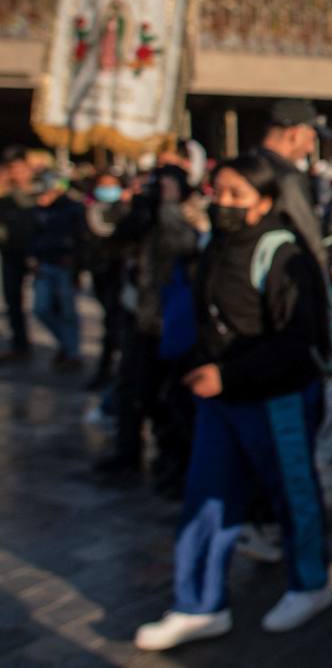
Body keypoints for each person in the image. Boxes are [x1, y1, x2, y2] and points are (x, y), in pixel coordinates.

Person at [134, 153, 332, 651]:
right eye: (217, 191)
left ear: (263, 201)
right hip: (219, 401)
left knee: (293, 496)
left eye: (235, 194)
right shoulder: (214, 245)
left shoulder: (285, 254)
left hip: (277, 399)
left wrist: (228, 372)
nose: (221, 202)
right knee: (207, 499)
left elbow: (296, 339)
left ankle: (311, 584)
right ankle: (198, 604)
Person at [97, 165, 205, 489]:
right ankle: (127, 453)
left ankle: (174, 461)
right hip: (139, 316)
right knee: (133, 390)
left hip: (173, 322)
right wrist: (130, 206)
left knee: (173, 399)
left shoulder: (191, 215)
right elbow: (108, 236)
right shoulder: (142, 211)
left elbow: (186, 245)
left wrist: (168, 207)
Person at [257, 99, 326, 268]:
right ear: (295, 134)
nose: (310, 148)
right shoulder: (287, 177)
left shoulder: (246, 166)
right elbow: (309, 235)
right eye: (311, 139)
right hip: (280, 274)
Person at [30, 171, 86, 367]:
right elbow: (33, 236)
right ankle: (67, 344)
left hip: (65, 266)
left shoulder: (73, 208)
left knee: (68, 311)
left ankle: (72, 352)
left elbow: (80, 239)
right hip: (44, 264)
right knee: (41, 308)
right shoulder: (37, 209)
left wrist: (77, 267)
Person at [83, 170, 132, 389]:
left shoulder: (128, 211)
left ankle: (114, 373)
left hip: (123, 276)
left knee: (116, 326)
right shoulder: (89, 211)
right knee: (110, 323)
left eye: (111, 185)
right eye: (103, 185)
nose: (107, 190)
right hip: (102, 273)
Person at [0, 146, 37, 359]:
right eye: (11, 168)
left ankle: (69, 349)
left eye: (19, 168)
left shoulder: (42, 189)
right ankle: (20, 344)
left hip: (40, 254)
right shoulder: (5, 195)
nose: (16, 173)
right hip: (11, 252)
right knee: (13, 300)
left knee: (47, 304)